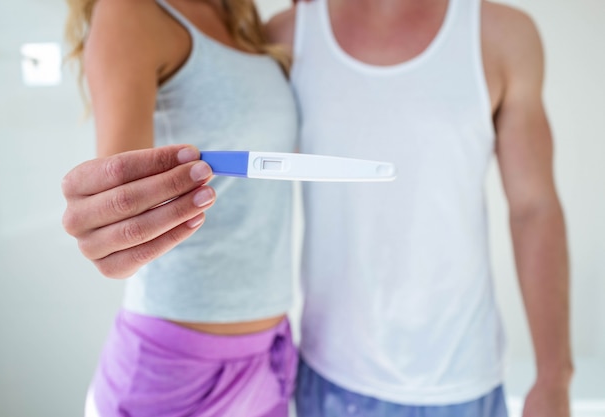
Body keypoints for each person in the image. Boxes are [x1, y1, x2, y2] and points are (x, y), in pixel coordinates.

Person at [266, 0, 572, 416]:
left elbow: (534, 209)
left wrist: (554, 376)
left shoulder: (502, 34)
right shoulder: (286, 36)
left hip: (462, 381)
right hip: (331, 377)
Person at [61, 0, 299, 415]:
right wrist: (109, 232)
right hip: (174, 365)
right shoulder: (130, 12)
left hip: (271, 352)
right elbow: (118, 211)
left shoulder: (242, 23)